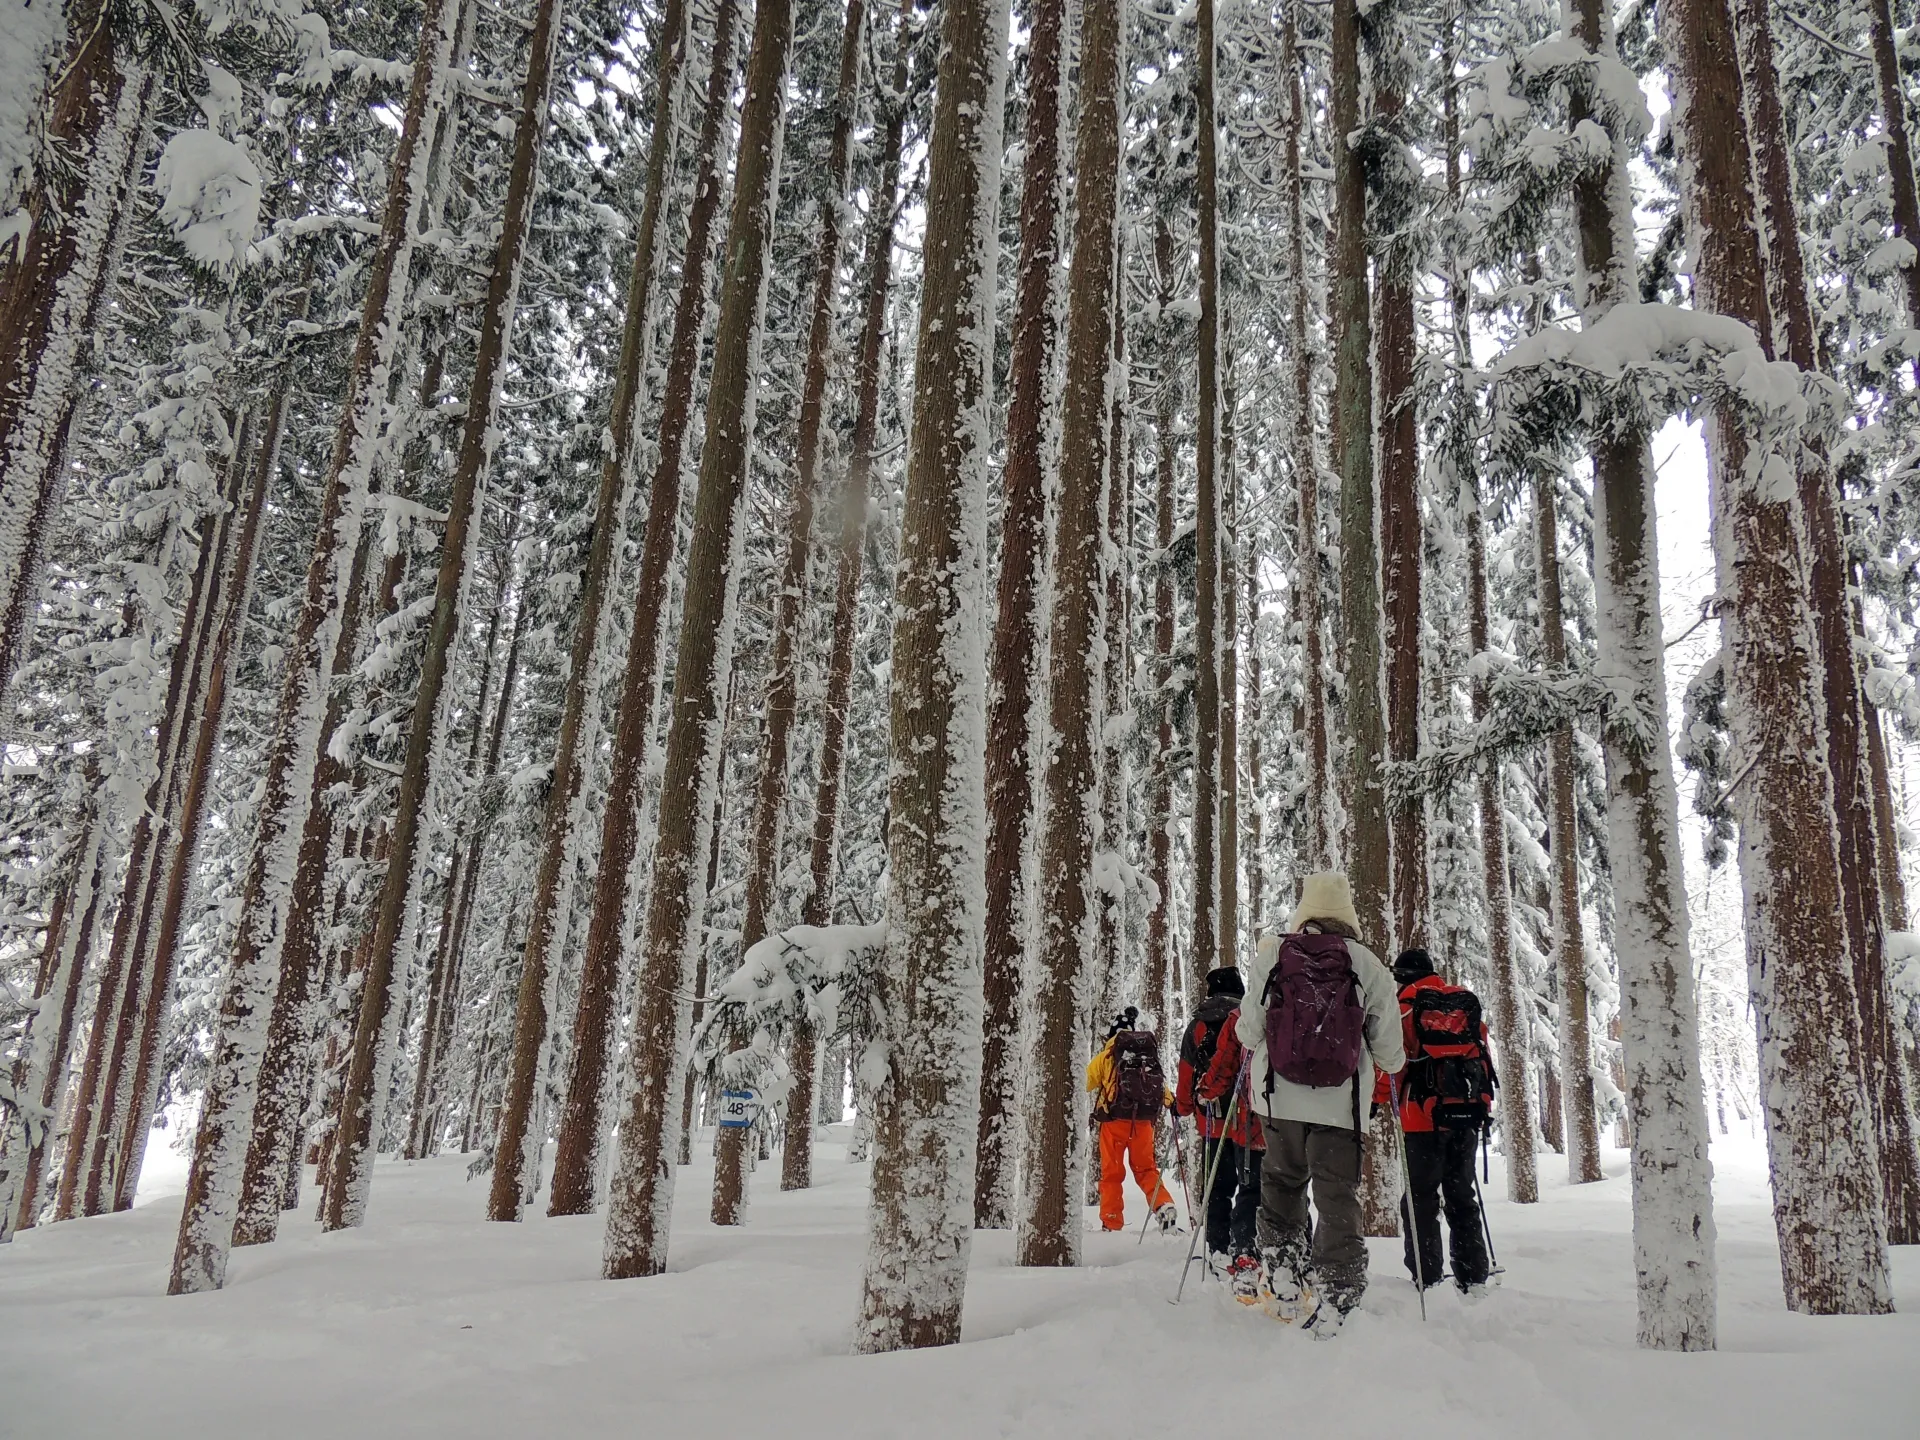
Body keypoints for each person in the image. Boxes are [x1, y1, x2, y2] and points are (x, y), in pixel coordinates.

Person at [1236, 871, 1405, 1338]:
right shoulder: (1367, 964)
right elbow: (1391, 1054)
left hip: (1277, 1097)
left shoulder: (1272, 955)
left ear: (1304, 911)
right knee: (1336, 1198)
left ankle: (1286, 1279)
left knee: (1282, 1182)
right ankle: (1339, 1294)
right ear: (1347, 914)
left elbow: (1248, 1032)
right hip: (1342, 1104)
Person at [1374, 947, 1494, 1295]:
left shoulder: (1407, 1009)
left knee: (1420, 1199)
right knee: (1461, 1195)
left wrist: (1376, 1100)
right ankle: (1473, 1277)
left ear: (1402, 977)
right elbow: (1481, 1054)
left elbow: (1394, 1064)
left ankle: (1426, 1278)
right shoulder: (1463, 1007)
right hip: (1466, 1115)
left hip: (1422, 1120)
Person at [1172, 966, 1263, 1299]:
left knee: (1218, 1185)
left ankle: (1218, 1246)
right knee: (1250, 1185)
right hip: (1249, 1117)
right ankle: (1247, 1247)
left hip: (1210, 1117)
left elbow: (1186, 1071)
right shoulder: (1249, 1018)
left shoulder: (1198, 1026)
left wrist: (1183, 1107)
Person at [1085, 1007, 1177, 1234]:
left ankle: (1112, 1221)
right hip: (1143, 1124)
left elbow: (1084, 1083)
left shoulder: (1106, 1056)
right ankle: (1163, 1204)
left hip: (1114, 1122)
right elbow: (1161, 1092)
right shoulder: (1144, 1057)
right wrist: (1172, 1103)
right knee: (1146, 1169)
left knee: (1111, 1175)